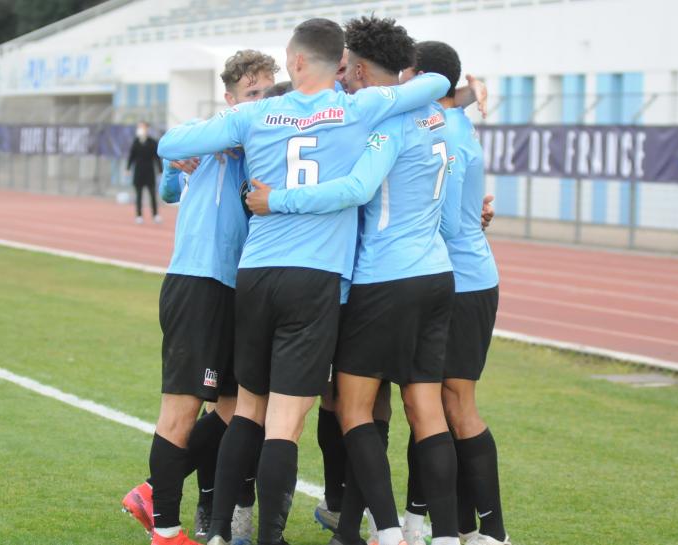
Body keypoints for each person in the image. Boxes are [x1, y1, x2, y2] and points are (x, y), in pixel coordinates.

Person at [158, 17, 450, 545]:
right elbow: (435, 85)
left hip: (256, 272)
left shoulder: (256, 112)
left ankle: (222, 531)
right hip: (315, 279)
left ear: (293, 62)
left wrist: (181, 153)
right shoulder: (359, 107)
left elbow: (172, 140)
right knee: (285, 423)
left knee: (246, 408)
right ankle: (270, 538)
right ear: (339, 64)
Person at [246, 15, 461, 545]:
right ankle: (444, 533)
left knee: (353, 408)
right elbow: (443, 86)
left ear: (360, 68)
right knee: (425, 409)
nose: (341, 79)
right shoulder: (435, 113)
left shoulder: (383, 123)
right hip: (438, 272)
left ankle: (382, 530)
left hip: (384, 278)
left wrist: (277, 200)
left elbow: (359, 189)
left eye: (346, 70)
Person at [121, 50, 279, 545]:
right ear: (231, 99)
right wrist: (173, 161)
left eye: (268, 92)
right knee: (183, 407)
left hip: (238, 287)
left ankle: (153, 490)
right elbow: (172, 168)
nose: (262, 102)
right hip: (198, 282)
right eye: (253, 94)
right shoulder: (213, 133)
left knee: (237, 411)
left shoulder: (264, 138)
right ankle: (166, 528)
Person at [399, 42, 509, 545]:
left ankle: (491, 531)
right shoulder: (454, 121)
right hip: (465, 275)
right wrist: (470, 88)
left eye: (408, 75)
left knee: (454, 405)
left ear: (422, 79)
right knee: (432, 404)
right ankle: (449, 523)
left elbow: (440, 217)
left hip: (460, 279)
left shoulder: (445, 135)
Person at [127, 121, 162, 224]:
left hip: (149, 172)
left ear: (147, 129)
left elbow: (156, 157)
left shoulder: (152, 142)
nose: (141, 129)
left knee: (152, 194)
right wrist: (128, 168)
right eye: (139, 127)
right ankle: (139, 215)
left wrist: (160, 170)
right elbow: (131, 156)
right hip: (138, 172)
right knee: (138, 195)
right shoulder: (136, 142)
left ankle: (155, 214)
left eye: (143, 127)